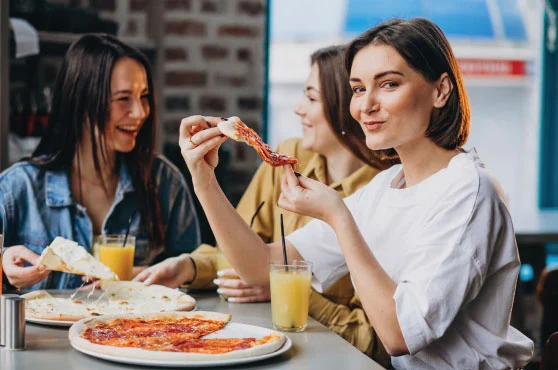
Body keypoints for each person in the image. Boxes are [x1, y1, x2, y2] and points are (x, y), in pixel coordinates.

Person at [178, 18, 534, 369]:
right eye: (359, 88)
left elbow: (398, 335)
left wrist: (337, 216)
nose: (365, 106)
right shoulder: (388, 185)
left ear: (441, 90)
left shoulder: (469, 191)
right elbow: (260, 267)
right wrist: (204, 180)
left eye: (389, 84)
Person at [135, 45, 394, 365]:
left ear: (345, 108)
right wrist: (189, 266)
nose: (299, 109)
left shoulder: (382, 196)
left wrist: (288, 291)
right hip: (257, 337)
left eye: (312, 99)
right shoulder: (286, 158)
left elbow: (374, 340)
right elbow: (243, 253)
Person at [0, 34, 200, 291]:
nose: (140, 112)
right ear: (81, 103)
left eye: (144, 96)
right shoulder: (16, 189)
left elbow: (199, 276)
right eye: (123, 98)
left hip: (132, 330)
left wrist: (170, 273)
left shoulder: (164, 182)